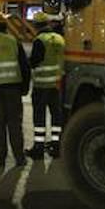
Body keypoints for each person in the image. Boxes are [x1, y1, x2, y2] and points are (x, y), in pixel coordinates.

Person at [0, 12, 30, 167]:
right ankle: (19, 158)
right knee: (14, 123)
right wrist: (25, 87)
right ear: (5, 26)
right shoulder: (13, 41)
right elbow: (24, 67)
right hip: (13, 88)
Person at [26, 12, 65, 158]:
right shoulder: (60, 39)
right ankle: (56, 146)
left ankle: (38, 147)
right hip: (56, 85)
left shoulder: (40, 40)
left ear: (36, 26)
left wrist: (26, 63)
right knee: (56, 116)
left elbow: (35, 61)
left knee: (40, 117)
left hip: (42, 86)